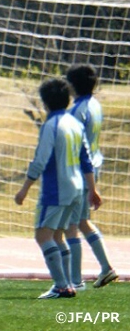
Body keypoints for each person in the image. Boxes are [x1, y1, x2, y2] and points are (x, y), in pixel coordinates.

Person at [15, 78, 102, 299]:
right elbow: (86, 159)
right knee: (58, 235)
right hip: (76, 188)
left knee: (43, 235)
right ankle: (69, 283)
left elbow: (40, 160)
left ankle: (62, 286)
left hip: (57, 190)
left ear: (45, 103)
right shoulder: (74, 123)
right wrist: (92, 189)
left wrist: (24, 188)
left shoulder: (51, 126)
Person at [65, 64, 118, 290]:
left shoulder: (77, 111)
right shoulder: (95, 105)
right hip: (93, 167)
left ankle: (75, 280)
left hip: (80, 172)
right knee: (83, 222)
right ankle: (106, 268)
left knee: (72, 224)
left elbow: (77, 147)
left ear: (73, 85)